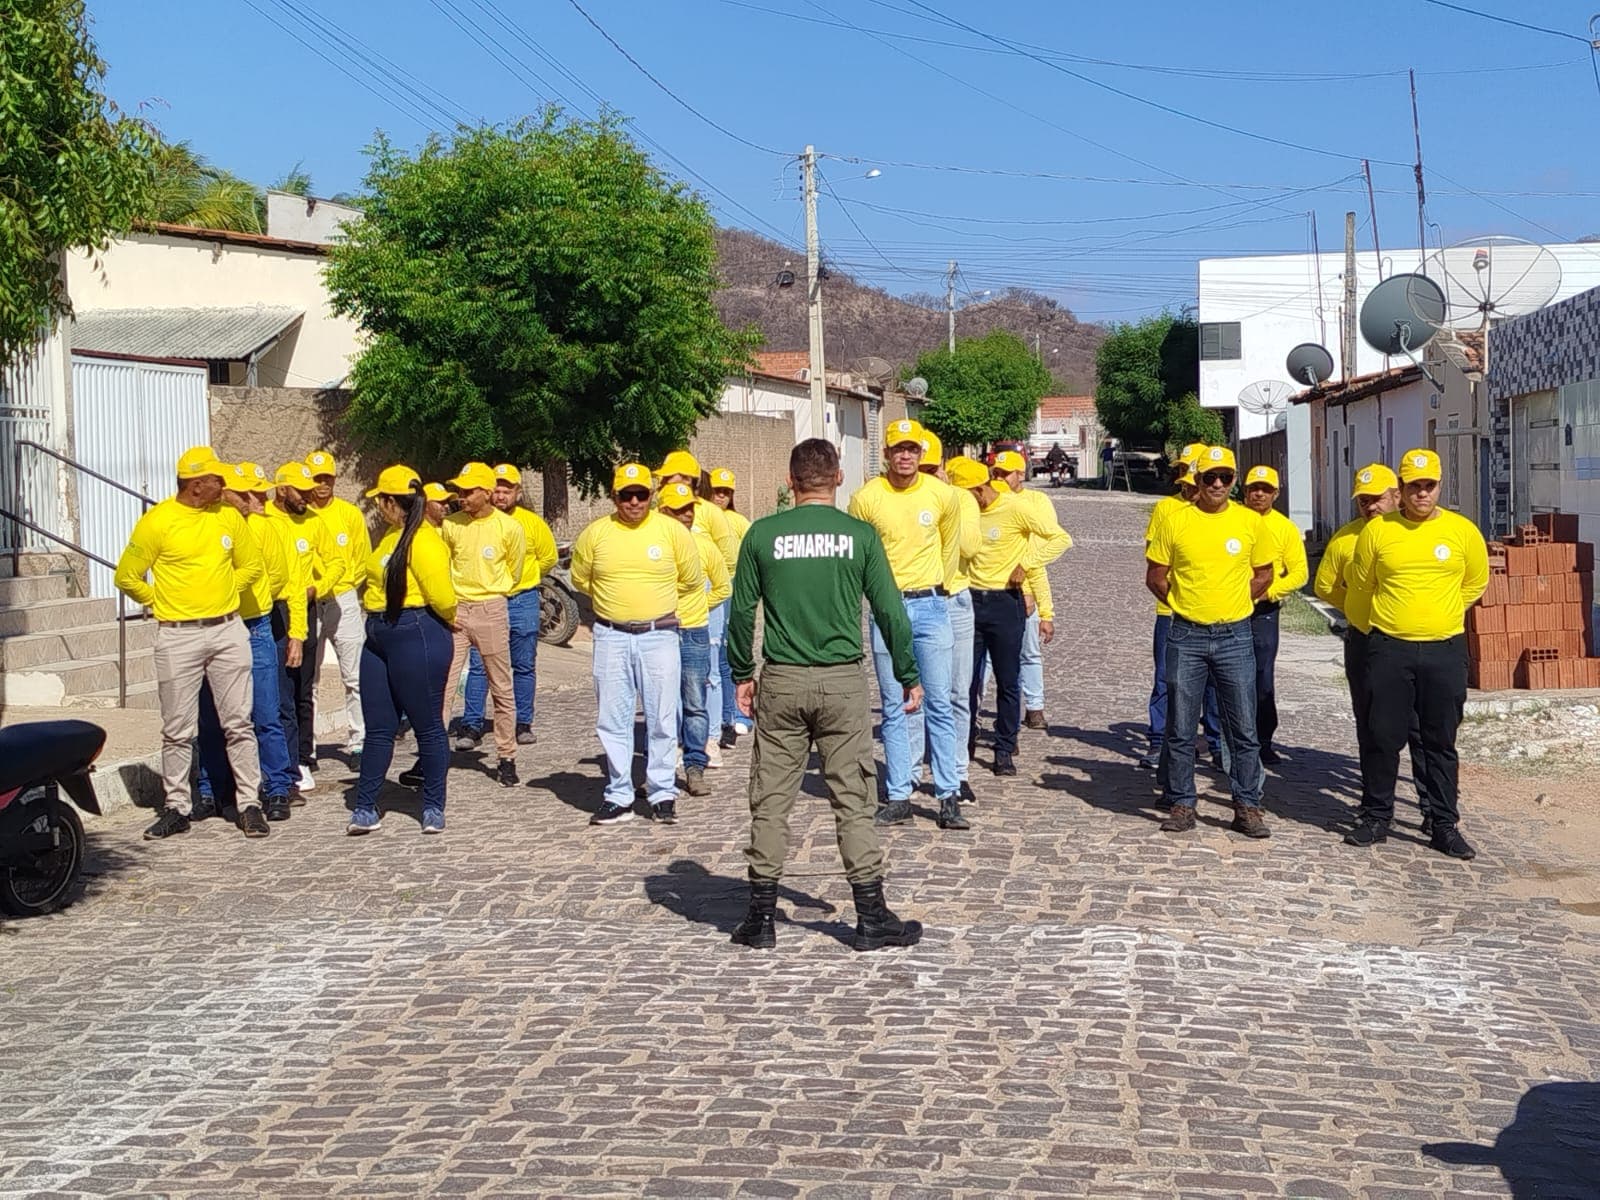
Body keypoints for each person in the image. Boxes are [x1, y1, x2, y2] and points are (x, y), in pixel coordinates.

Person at [726, 437, 924, 953]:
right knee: (854, 800)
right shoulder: (859, 536)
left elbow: (741, 612)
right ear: (838, 478)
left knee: (770, 800)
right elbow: (890, 611)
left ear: (791, 481)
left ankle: (761, 916)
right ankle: (871, 915)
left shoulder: (761, 535)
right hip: (842, 681)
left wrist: (741, 672)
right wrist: (907, 672)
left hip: (783, 678)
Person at [113, 446, 266, 840]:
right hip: (177, 635)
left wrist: (226, 591)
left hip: (228, 630)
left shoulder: (229, 517)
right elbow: (128, 576)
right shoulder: (158, 521)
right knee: (177, 728)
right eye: (217, 479)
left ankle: (249, 803)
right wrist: (159, 602)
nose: (224, 485)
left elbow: (251, 564)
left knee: (239, 723)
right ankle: (177, 806)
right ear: (197, 485)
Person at [1346, 448, 1488, 859]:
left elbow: (1474, 583)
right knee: (1382, 735)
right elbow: (1362, 586)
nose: (1422, 494)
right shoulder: (1378, 532)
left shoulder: (1462, 532)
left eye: (1429, 486)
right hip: (1390, 647)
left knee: (1440, 739)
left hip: (1444, 649)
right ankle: (1375, 816)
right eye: (1414, 487)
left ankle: (1443, 824)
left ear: (1440, 486)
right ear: (1401, 490)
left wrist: (1437, 614)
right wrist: (1374, 630)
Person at [1145, 445, 1275, 838]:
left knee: (1243, 726)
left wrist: (1234, 601)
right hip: (1186, 633)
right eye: (1209, 477)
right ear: (1196, 481)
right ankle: (1182, 801)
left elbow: (1265, 573)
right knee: (1182, 725)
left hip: (1235, 633)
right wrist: (1187, 604)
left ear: (1234, 481)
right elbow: (1156, 575)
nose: (1217, 484)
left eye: (1225, 477)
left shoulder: (1251, 523)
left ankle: (1247, 804)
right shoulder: (1175, 520)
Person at [571, 463, 704, 826]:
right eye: (625, 495)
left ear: (652, 496)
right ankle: (619, 794)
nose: (633, 502)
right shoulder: (595, 534)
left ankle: (662, 792)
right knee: (613, 718)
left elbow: (691, 579)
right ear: (613, 497)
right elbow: (581, 579)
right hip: (611, 635)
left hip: (658, 634)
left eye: (641, 494)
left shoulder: (673, 532)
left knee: (662, 717)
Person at [847, 419, 964, 828]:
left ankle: (949, 794)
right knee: (895, 706)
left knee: (939, 702)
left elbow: (951, 544)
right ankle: (899, 793)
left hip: (930, 604)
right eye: (898, 448)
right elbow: (859, 554)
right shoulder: (866, 498)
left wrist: (942, 586)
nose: (906, 456)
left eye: (913, 449)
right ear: (886, 453)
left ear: (922, 453)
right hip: (887, 610)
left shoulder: (942, 495)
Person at [1314, 464, 1439, 836]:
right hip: (1367, 642)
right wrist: (1360, 608)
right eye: (1363, 501)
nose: (1370, 507)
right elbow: (1324, 587)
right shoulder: (1346, 539)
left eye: (1377, 499)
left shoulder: (1413, 532)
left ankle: (1432, 808)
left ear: (1396, 495)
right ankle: (1375, 809)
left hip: (1413, 641)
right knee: (1374, 728)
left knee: (1421, 729)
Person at [347, 466, 458, 835]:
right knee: (378, 726)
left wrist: (450, 620)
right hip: (379, 632)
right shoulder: (392, 536)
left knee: (427, 725)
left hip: (415, 630)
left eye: (381, 500)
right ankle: (365, 806)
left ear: (393, 503)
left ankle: (432, 806)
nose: (378, 507)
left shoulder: (425, 541)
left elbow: (442, 595)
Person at [952, 457, 1072, 788]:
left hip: (1007, 602)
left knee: (1008, 679)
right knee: (966, 680)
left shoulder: (1016, 508)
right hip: (970, 601)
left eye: (964, 495)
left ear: (979, 490)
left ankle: (1004, 748)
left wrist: (1027, 563)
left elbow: (1059, 539)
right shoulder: (966, 513)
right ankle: (964, 743)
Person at [194, 462, 300, 826]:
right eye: (246, 493)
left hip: (253, 625)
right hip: (215, 624)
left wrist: (230, 590)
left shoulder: (264, 527)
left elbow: (280, 579)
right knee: (211, 715)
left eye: (256, 492)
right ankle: (212, 789)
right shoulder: (209, 523)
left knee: (265, 712)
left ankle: (277, 787)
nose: (256, 499)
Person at [459, 464, 558, 749]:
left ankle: (523, 722)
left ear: (517, 492)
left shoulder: (531, 523)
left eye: (507, 490)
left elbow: (548, 558)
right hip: (486, 602)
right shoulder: (474, 522)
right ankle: (472, 724)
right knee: (479, 665)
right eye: (497, 489)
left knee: (524, 664)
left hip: (522, 600)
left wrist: (526, 578)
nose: (501, 495)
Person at [439, 461, 525, 786]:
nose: (462, 496)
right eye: (460, 490)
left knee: (501, 687)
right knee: (444, 687)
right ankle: (435, 758)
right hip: (457, 611)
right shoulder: (451, 525)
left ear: (487, 492)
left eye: (469, 491)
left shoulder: (508, 528)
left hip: (491, 607)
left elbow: (514, 571)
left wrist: (493, 593)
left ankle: (506, 756)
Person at [1141, 445, 1224, 772]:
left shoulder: (1226, 514)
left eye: (1193, 472)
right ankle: (1158, 740)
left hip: (1214, 612)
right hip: (1171, 610)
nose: (1186, 480)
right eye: (1183, 472)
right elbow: (1154, 558)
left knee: (1214, 685)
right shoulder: (1166, 509)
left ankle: (1216, 743)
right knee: (1165, 679)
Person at [658, 450, 738, 766]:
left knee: (710, 673)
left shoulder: (708, 513)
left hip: (707, 592)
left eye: (669, 476)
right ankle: (681, 738)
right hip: (669, 597)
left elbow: (729, 557)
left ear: (689, 480)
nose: (663, 481)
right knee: (672, 672)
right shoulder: (658, 510)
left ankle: (711, 738)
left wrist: (707, 595)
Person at [266, 461, 339, 792]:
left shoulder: (313, 521)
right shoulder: (264, 518)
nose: (309, 496)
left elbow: (337, 561)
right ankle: (278, 759)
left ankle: (303, 756)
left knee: (302, 686)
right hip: (270, 609)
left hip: (304, 607)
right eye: (302, 490)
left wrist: (316, 589)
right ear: (282, 490)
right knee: (275, 689)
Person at [991, 449, 1069, 730]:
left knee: (1030, 651)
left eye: (1004, 474)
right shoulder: (990, 500)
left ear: (1020, 474)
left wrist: (1041, 603)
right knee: (987, 659)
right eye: (995, 473)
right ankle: (975, 709)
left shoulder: (1036, 501)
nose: (999, 478)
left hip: (1026, 583)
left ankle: (1035, 707)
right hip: (991, 590)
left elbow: (1041, 550)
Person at [304, 450, 369, 769]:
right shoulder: (300, 516)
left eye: (327, 478)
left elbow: (361, 557)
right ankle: (308, 747)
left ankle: (358, 743)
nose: (322, 485)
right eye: (316, 479)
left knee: (354, 676)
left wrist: (345, 585)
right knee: (308, 678)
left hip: (343, 599)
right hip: (308, 601)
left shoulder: (349, 514)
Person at [1240, 465, 1309, 764]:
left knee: (1262, 677)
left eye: (1266, 489)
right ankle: (1225, 739)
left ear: (1276, 493)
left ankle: (1263, 739)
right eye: (1254, 488)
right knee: (1223, 677)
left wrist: (1269, 590)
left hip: (1263, 612)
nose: (1259, 494)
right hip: (1228, 609)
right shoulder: (1232, 520)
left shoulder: (1285, 528)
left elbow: (1300, 573)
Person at [707, 466, 753, 748]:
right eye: (716, 491)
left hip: (732, 584)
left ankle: (738, 713)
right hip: (709, 586)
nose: (720, 497)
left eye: (726, 492)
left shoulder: (738, 522)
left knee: (730, 649)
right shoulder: (702, 516)